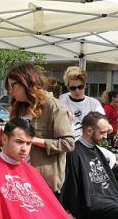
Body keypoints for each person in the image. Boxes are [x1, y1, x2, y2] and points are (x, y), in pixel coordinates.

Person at [5, 63, 74, 194]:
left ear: (27, 83)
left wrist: (32, 140)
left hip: (43, 183)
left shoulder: (53, 106)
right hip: (18, 178)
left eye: (13, 85)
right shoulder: (19, 107)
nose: (10, 91)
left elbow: (68, 144)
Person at [58, 66, 104, 139]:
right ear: (67, 87)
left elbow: (103, 123)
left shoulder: (94, 103)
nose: (77, 91)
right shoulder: (61, 100)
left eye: (80, 87)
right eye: (73, 88)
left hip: (87, 145)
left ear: (85, 85)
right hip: (67, 143)